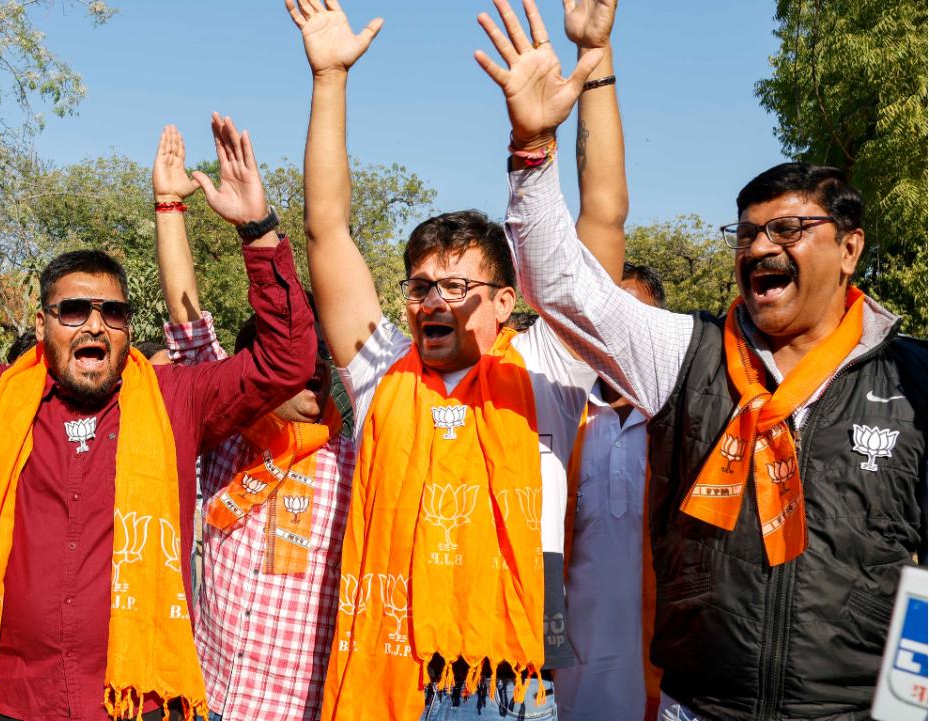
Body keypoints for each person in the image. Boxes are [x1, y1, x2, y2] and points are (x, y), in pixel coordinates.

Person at [486, 0, 928, 717]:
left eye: (788, 228)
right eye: (746, 233)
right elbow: (563, 285)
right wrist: (532, 149)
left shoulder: (913, 379)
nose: (758, 248)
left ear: (850, 248)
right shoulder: (687, 355)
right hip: (698, 705)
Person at [0, 102, 318, 721]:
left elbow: (288, 359)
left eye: (113, 312)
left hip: (138, 702)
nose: (95, 326)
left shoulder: (175, 401)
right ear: (43, 324)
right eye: (74, 310)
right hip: (9, 701)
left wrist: (257, 228)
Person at [285, 0, 617, 718]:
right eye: (420, 285)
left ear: (505, 301)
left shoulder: (548, 371)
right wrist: (329, 79)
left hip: (514, 683)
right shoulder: (384, 374)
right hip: (392, 676)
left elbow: (602, 226)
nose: (432, 299)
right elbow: (326, 231)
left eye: (456, 285)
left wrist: (595, 66)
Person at [152, 122, 356, 721]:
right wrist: (168, 206)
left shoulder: (354, 461)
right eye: (287, 372)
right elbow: (187, 318)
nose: (309, 381)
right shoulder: (225, 439)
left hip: (299, 708)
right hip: (204, 695)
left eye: (316, 369)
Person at [559, 262, 665, 721]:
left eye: (634, 318)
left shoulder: (677, 422)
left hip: (661, 661)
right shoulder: (563, 416)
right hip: (570, 664)